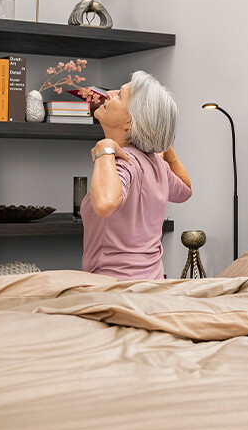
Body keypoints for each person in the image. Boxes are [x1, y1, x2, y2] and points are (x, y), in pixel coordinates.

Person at [81, 70, 192, 280]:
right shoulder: (157, 164)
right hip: (152, 286)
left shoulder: (124, 163)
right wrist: (162, 144)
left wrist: (104, 148)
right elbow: (185, 191)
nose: (109, 93)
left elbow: (104, 204)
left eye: (119, 95)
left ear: (129, 123)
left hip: (115, 288)